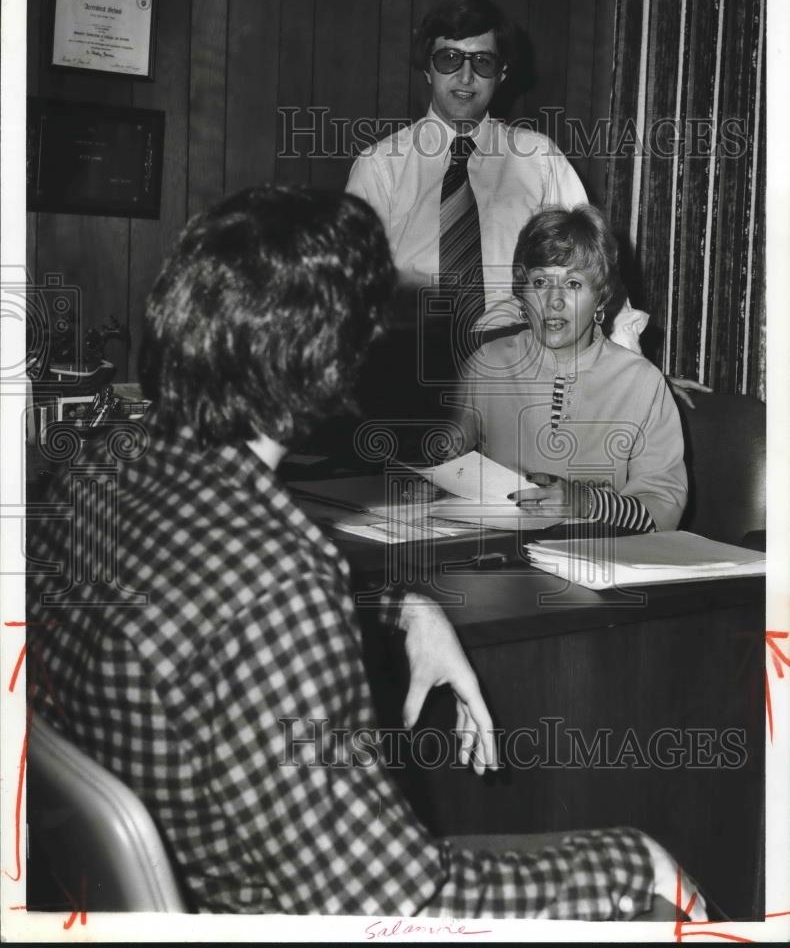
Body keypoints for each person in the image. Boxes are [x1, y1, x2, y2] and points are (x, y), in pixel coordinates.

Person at [27, 185, 702, 918]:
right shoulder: (278, 579)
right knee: (647, 869)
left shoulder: (94, 476)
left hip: (121, 898)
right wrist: (637, 866)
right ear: (327, 357)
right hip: (275, 916)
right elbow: (396, 907)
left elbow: (197, 607)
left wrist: (396, 606)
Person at [346, 0, 709, 404]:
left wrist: (638, 371)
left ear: (501, 75)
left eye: (482, 62)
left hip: (523, 373)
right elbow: (352, 296)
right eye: (449, 59)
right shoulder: (380, 166)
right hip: (410, 373)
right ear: (427, 69)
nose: (465, 77)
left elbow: (594, 269)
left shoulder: (538, 158)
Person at [454, 204, 687, 532]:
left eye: (574, 284)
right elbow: (445, 463)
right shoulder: (487, 363)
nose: (554, 300)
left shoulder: (643, 383)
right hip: (494, 552)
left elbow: (663, 513)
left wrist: (587, 503)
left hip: (595, 557)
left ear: (601, 296)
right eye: (540, 282)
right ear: (521, 293)